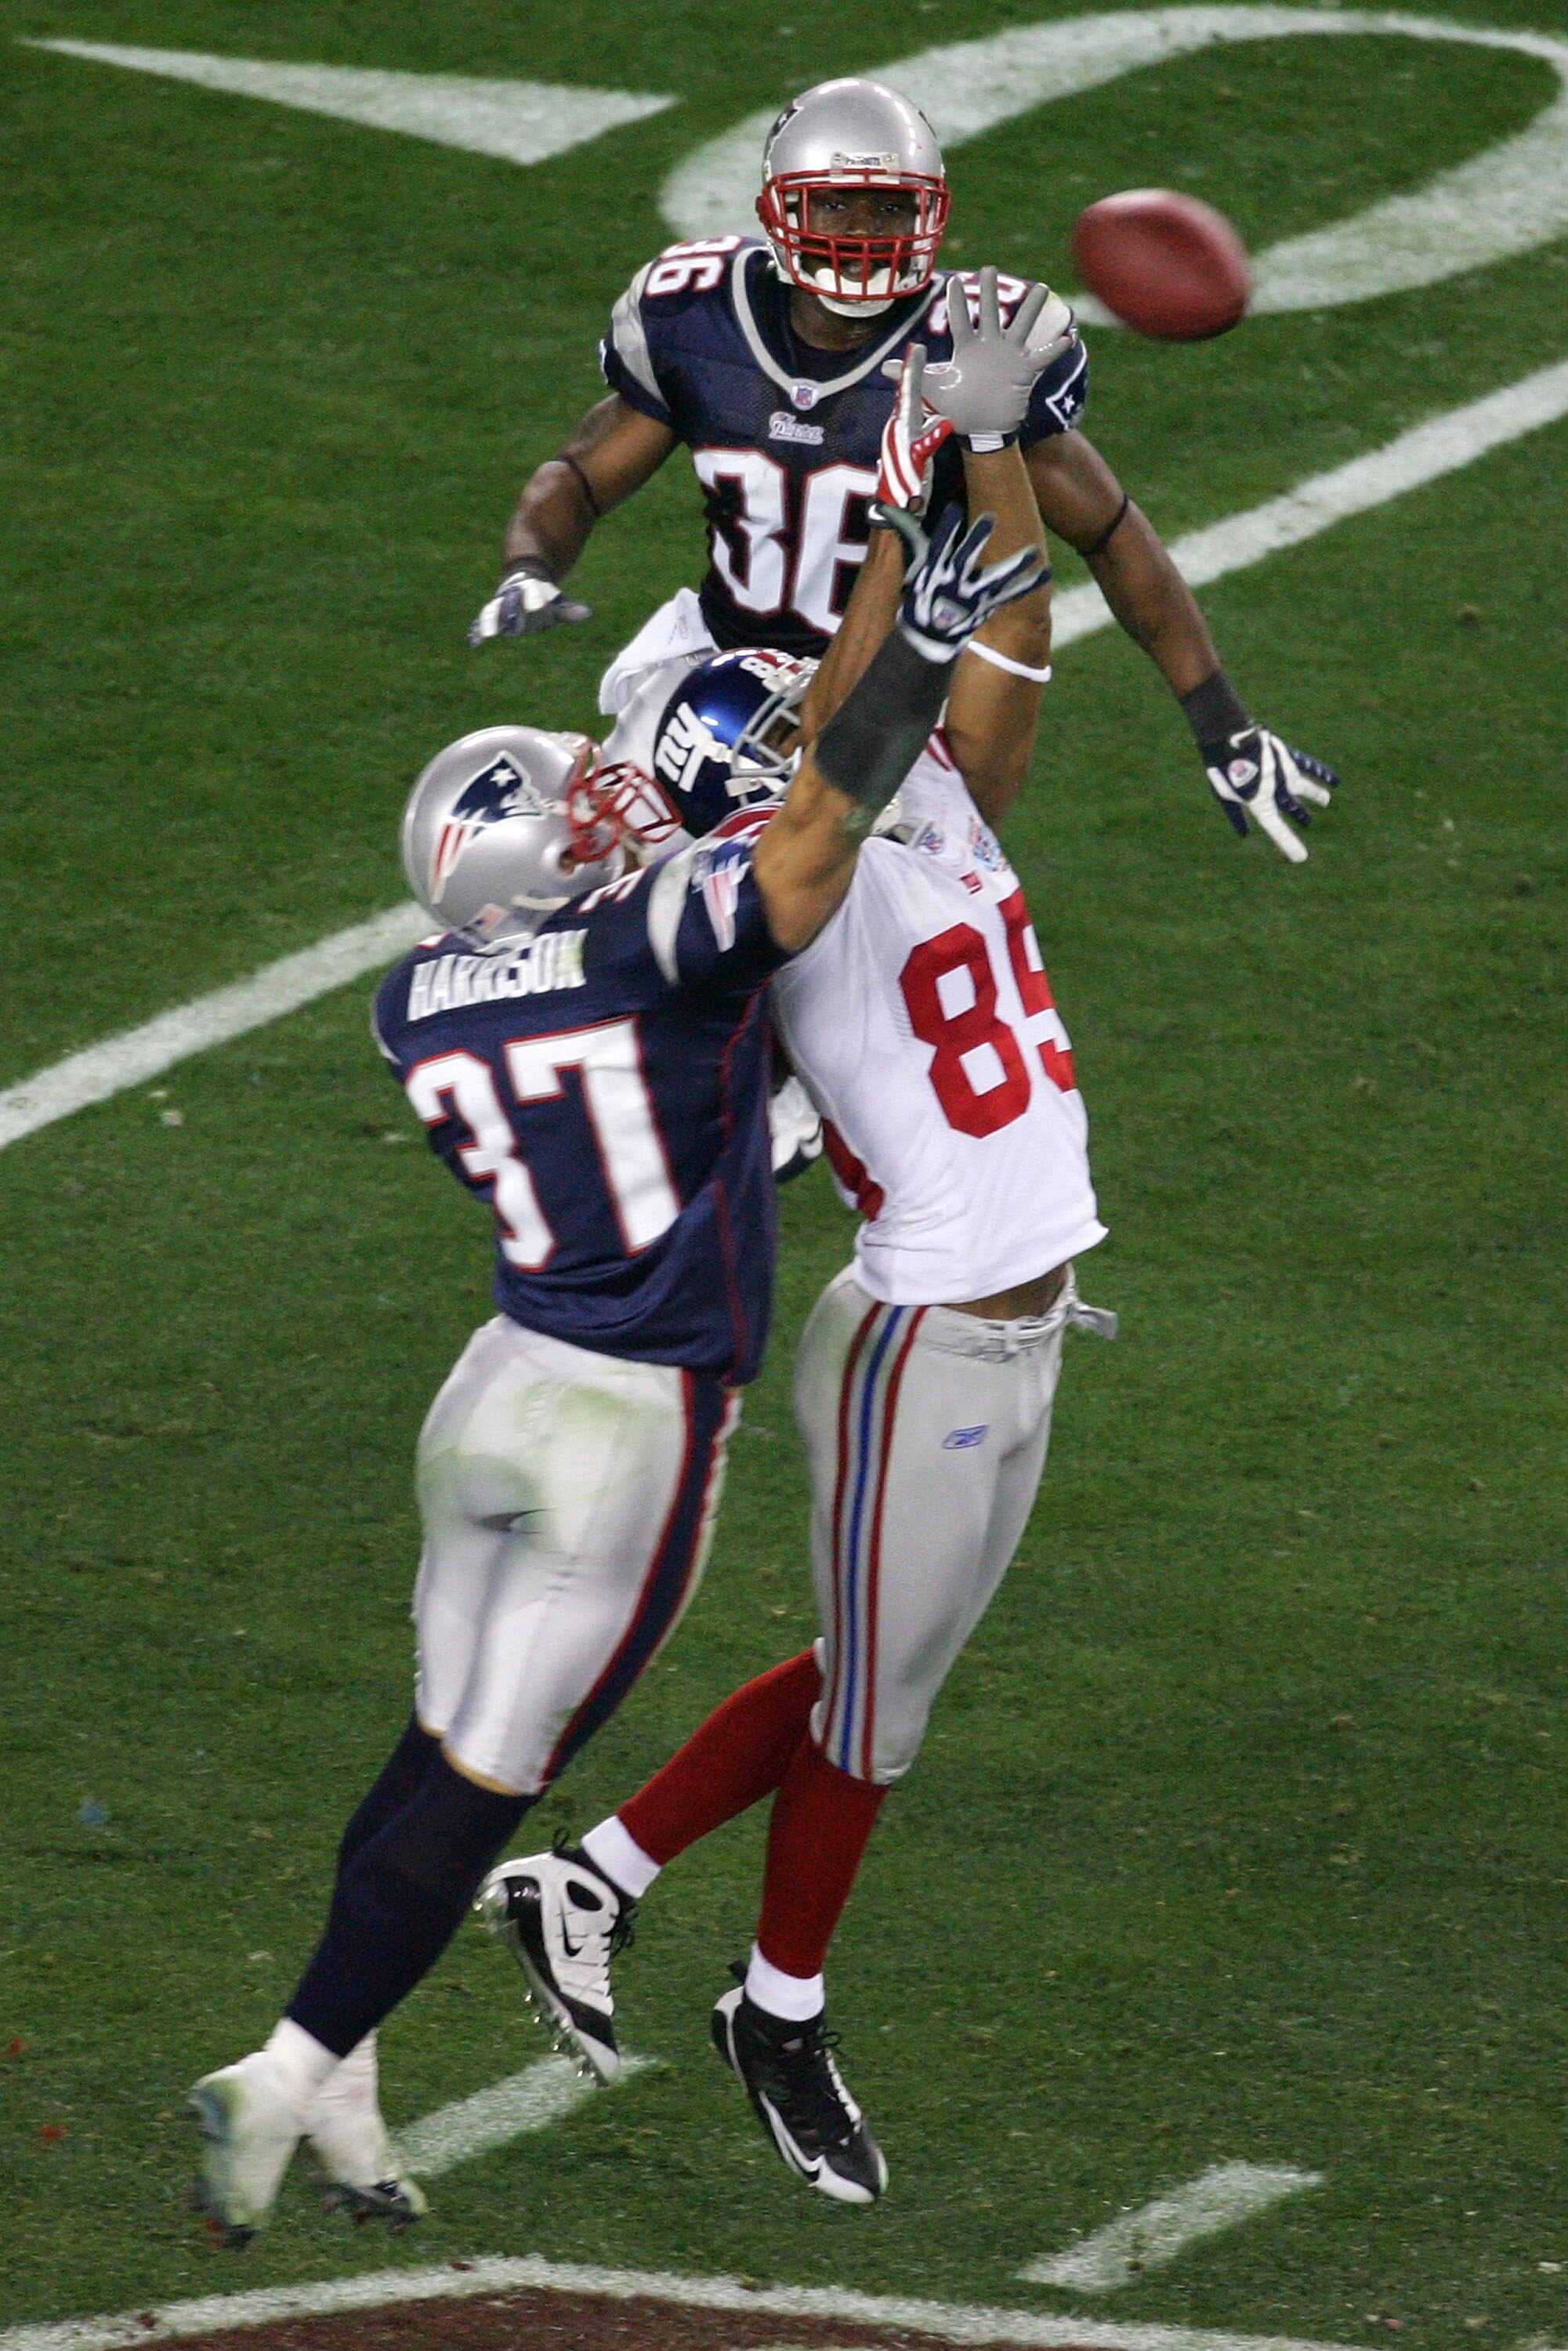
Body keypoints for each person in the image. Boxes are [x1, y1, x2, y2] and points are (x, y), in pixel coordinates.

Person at [183, 302, 1053, 2247]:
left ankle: (338, 2078)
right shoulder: (660, 934)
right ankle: (285, 2057)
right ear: (537, 868)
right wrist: (913, 597)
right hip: (627, 1417)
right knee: (493, 1774)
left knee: (438, 1737)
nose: (595, 796)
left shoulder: (413, 999)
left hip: (489, 1379)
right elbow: (811, 824)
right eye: (562, 806)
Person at [478, 285, 1118, 2208]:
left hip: (1015, 1314)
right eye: (741, 736)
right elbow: (852, 735)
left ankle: (580, 1881)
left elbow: (959, 665)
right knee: (876, 1708)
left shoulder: (906, 786)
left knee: (871, 1672)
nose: (782, 736)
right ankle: (774, 2005)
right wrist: (931, 520)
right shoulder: (767, 890)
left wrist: (969, 449)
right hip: (919, 1327)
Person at [470, 76, 1338, 865]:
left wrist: (1220, 722)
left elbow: (1112, 536)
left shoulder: (975, 346)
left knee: (840, 940)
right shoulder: (698, 316)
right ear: (779, 212)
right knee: (578, 883)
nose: (863, 236)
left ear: (931, 216)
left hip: (895, 705)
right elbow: (584, 472)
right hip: (715, 682)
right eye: (839, 208)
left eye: (888, 211)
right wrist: (528, 568)